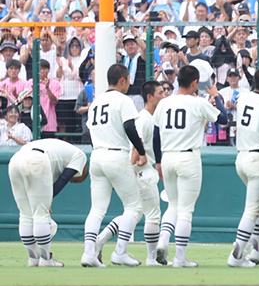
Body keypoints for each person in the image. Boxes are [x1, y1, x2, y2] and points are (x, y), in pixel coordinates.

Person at [153, 65, 229, 268]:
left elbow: (155, 134)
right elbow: (223, 119)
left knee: (172, 204)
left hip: (167, 157)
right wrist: (217, 97)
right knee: (186, 210)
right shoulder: (197, 103)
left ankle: (162, 241)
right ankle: (179, 258)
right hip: (188, 158)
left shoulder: (164, 103)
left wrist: (158, 161)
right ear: (195, 83)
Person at [81, 64, 149, 268]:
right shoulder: (122, 99)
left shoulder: (96, 102)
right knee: (134, 207)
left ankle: (89, 253)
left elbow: (91, 132)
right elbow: (129, 127)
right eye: (128, 79)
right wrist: (142, 152)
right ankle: (120, 251)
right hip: (116, 155)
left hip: (97, 155)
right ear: (123, 80)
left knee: (96, 209)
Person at [95, 80, 168, 266]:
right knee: (152, 214)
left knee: (133, 213)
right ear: (149, 97)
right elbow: (138, 144)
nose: (164, 95)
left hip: (137, 169)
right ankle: (151, 258)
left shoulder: (149, 117)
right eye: (161, 92)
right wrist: (134, 165)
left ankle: (100, 240)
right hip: (141, 170)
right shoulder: (144, 118)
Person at [226, 67, 259, 268]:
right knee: (252, 210)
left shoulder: (244, 97)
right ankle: (237, 254)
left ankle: (256, 251)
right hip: (258, 158)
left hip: (241, 157)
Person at [9, 139, 88, 267]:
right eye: (75, 180)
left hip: (16, 159)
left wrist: (46, 200)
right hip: (36, 159)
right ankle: (46, 259)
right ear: (80, 171)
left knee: (26, 214)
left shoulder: (62, 154)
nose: (72, 181)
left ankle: (33, 258)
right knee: (40, 213)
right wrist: (48, 201)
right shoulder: (80, 157)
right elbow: (63, 179)